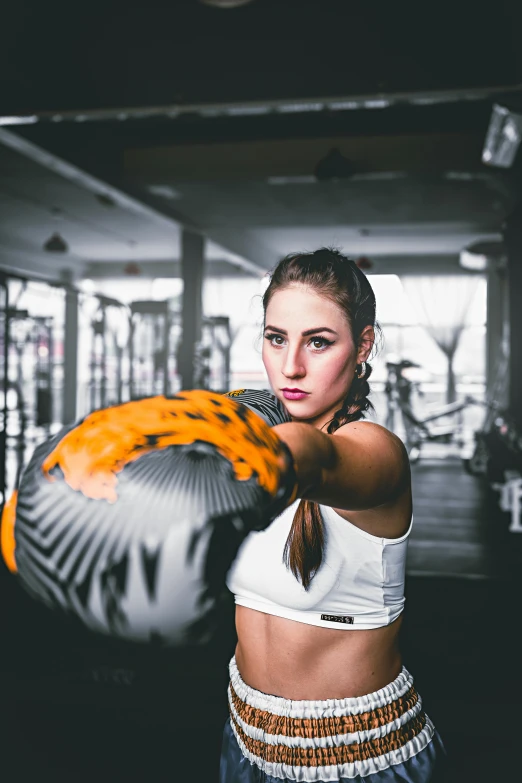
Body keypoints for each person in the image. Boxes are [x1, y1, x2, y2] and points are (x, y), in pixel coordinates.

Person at [220, 248, 446, 782]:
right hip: (242, 738)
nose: (291, 367)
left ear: (363, 344)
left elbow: (313, 456)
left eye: (318, 342)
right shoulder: (255, 440)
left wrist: (229, 433)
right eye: (277, 339)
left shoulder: (375, 451)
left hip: (360, 761)